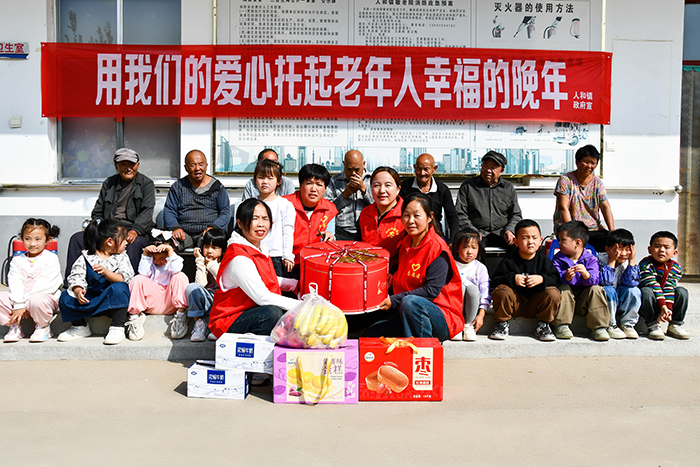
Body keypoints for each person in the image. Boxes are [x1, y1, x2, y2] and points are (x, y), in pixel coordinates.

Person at [375, 193, 464, 342]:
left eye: (417, 215)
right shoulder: (405, 243)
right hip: (406, 310)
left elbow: (431, 291)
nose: (410, 221)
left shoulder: (437, 248)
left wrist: (395, 299)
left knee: (410, 302)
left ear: (430, 217)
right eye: (406, 215)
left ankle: (425, 351)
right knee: (372, 334)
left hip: (441, 315)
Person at [209, 199, 301, 338]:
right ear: (239, 223)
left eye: (265, 219)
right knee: (271, 314)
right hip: (229, 320)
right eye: (254, 218)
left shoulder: (260, 247)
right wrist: (302, 306)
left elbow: (263, 278)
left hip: (249, 310)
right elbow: (262, 297)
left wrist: (292, 284)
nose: (261, 224)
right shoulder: (239, 257)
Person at [65, 148, 155, 277]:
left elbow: (147, 211)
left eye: (131, 165)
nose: (128, 168)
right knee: (77, 239)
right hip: (109, 228)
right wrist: (98, 228)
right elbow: (97, 211)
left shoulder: (146, 184)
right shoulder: (109, 183)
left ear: (138, 165)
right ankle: (74, 283)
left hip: (132, 229)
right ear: (116, 166)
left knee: (134, 244)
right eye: (123, 164)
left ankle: (128, 282)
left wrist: (136, 230)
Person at [57, 219, 134, 345]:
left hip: (111, 302)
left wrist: (106, 272)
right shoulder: (86, 257)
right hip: (90, 300)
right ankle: (79, 327)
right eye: (123, 239)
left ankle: (117, 327)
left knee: (120, 288)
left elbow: (125, 278)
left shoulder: (122, 257)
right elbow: (76, 276)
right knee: (65, 296)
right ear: (109, 241)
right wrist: (78, 291)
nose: (126, 242)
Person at [489, 219, 561, 341]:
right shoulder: (509, 260)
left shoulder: (544, 261)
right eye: (525, 238)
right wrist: (512, 278)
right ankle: (502, 324)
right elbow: (495, 281)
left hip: (536, 304)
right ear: (516, 241)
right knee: (502, 291)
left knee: (553, 293)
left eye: (534, 238)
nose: (530, 242)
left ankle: (543, 325)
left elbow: (556, 280)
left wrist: (542, 279)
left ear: (540, 241)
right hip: (514, 304)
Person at [1, 219, 62, 343]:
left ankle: (43, 327)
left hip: (43, 300)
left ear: (48, 240)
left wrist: (23, 303)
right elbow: (14, 281)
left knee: (37, 300)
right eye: (28, 239)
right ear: (21, 239)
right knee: (1, 297)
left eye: (38, 239)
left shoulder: (51, 258)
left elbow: (47, 285)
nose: (32, 243)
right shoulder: (17, 260)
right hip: (21, 302)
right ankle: (14, 325)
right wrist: (19, 304)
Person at [550, 221, 610, 341]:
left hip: (584, 301)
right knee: (563, 288)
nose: (559, 243)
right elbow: (554, 276)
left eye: (563, 240)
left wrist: (587, 275)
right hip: (567, 302)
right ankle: (561, 325)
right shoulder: (558, 259)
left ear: (578, 242)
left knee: (596, 289)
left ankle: (599, 327)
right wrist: (565, 277)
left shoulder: (591, 259)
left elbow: (595, 279)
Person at [163, 149, 231, 252]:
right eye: (193, 165)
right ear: (186, 168)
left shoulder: (217, 187)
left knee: (210, 245)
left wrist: (214, 227)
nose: (197, 168)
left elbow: (225, 212)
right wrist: (175, 227)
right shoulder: (178, 187)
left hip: (207, 233)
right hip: (184, 232)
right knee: (168, 246)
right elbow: (169, 210)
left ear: (206, 165)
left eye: (201, 164)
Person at [455, 150, 522, 249]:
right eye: (485, 166)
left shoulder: (508, 188)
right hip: (477, 232)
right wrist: (473, 230)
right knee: (472, 248)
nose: (488, 170)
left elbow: (516, 215)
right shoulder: (468, 186)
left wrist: (509, 230)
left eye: (493, 167)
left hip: (501, 232)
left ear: (501, 171)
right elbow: (460, 213)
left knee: (518, 247)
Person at [553, 144, 615, 252]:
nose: (589, 166)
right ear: (577, 162)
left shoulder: (597, 182)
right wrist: (571, 231)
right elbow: (564, 207)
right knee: (573, 245)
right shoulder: (565, 180)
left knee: (612, 244)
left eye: (593, 163)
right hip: (569, 227)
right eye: (586, 162)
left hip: (593, 229)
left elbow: (605, 206)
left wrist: (612, 231)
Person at [126, 237, 189, 341]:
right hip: (152, 302)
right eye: (155, 258)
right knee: (137, 279)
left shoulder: (174, 260)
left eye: (162, 258)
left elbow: (176, 269)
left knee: (180, 276)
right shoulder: (150, 263)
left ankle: (181, 316)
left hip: (171, 302)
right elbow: (143, 273)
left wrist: (170, 253)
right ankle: (135, 317)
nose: (158, 261)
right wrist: (146, 255)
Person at [284, 164, 338, 277]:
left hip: (316, 265)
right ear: (300, 185)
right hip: (287, 264)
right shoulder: (284, 204)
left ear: (325, 188)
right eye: (309, 183)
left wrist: (330, 235)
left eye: (319, 184)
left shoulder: (330, 208)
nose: (313, 189)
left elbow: (331, 235)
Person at [638, 231, 689, 340]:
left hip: (665, 300)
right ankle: (652, 325)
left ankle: (675, 324)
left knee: (682, 291)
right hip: (650, 302)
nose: (661, 250)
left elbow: (669, 287)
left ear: (674, 253)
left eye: (667, 247)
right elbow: (653, 285)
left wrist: (668, 308)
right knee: (645, 291)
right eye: (657, 246)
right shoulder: (645, 264)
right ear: (649, 249)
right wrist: (663, 306)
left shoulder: (676, 268)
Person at [399, 153, 459, 243]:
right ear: (414, 167)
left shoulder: (442, 189)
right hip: (410, 234)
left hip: (435, 234)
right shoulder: (405, 187)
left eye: (426, 169)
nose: (422, 173)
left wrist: (453, 241)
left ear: (434, 169)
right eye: (419, 168)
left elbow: (452, 217)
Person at [357, 167, 405, 270]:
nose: (382, 190)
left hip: (394, 275)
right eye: (376, 185)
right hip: (366, 270)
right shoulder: (365, 213)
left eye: (388, 185)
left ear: (398, 189)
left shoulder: (406, 215)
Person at [184, 227, 227, 342]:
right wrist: (200, 262)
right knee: (192, 288)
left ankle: (218, 327)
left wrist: (212, 265)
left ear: (222, 250)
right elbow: (201, 284)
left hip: (222, 304)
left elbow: (223, 281)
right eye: (206, 247)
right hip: (207, 300)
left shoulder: (225, 263)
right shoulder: (202, 261)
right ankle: (199, 324)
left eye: (214, 248)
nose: (209, 251)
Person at [598, 228, 642, 339]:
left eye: (627, 249)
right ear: (608, 249)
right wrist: (612, 261)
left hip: (619, 296)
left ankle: (627, 324)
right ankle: (611, 324)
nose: (623, 253)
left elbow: (631, 283)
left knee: (634, 290)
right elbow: (605, 282)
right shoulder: (599, 260)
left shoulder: (627, 263)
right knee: (608, 289)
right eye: (619, 249)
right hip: (605, 299)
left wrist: (632, 261)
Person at [254, 159, 295, 276]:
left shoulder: (285, 204)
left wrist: (288, 256)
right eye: (261, 177)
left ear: (279, 181)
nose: (265, 182)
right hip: (254, 254)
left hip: (276, 256)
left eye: (270, 178)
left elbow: (288, 231)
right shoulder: (250, 204)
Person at [450, 227, 490, 341]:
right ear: (457, 248)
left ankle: (469, 326)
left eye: (474, 247)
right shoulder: (451, 265)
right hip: (454, 309)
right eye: (466, 247)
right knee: (459, 286)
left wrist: (481, 315)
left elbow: (485, 291)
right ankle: (456, 325)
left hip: (472, 308)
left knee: (472, 288)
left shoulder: (480, 268)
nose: (469, 251)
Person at [324, 150, 373, 241]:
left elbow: (379, 206)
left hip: (367, 229)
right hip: (341, 231)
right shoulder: (334, 181)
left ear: (364, 164)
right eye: (349, 169)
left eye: (357, 169)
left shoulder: (371, 180)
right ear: (344, 164)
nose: (353, 173)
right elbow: (327, 209)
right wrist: (344, 195)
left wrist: (364, 190)